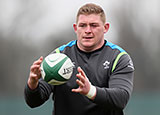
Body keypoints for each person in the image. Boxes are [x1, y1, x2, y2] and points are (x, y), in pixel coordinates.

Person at [24, 3, 134, 115]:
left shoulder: (118, 58)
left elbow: (121, 98)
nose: (88, 30)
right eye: (82, 25)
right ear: (76, 28)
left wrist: (90, 91)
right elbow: (34, 102)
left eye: (94, 25)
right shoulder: (59, 57)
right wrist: (33, 85)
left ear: (105, 28)